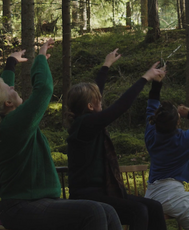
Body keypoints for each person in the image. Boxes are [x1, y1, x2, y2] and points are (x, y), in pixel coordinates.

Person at [0, 39, 122, 230]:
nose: (13, 87)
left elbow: (2, 90)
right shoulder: (14, 124)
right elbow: (43, 89)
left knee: (107, 210)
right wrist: (41, 58)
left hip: (34, 202)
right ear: (8, 103)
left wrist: (11, 61)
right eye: (11, 89)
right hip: (22, 207)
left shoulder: (4, 120)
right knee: (93, 211)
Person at [65, 48, 168, 230]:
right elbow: (121, 106)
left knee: (154, 207)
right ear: (90, 106)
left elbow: (96, 90)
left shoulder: (87, 120)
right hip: (88, 195)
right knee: (138, 211)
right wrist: (146, 77)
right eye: (98, 100)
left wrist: (106, 65)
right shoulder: (85, 124)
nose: (101, 101)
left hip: (105, 191)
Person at [143, 76, 189, 230]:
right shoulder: (184, 139)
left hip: (152, 193)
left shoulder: (151, 134)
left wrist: (157, 83)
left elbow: (152, 104)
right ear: (178, 122)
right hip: (169, 196)